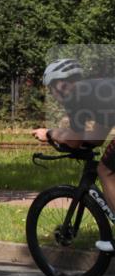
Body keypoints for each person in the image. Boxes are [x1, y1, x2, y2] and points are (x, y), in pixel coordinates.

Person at [33, 58, 115, 251]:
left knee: (105, 171)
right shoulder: (93, 92)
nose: (52, 94)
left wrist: (49, 133)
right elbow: (97, 138)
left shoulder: (75, 97)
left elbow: (74, 140)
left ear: (61, 84)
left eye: (51, 88)